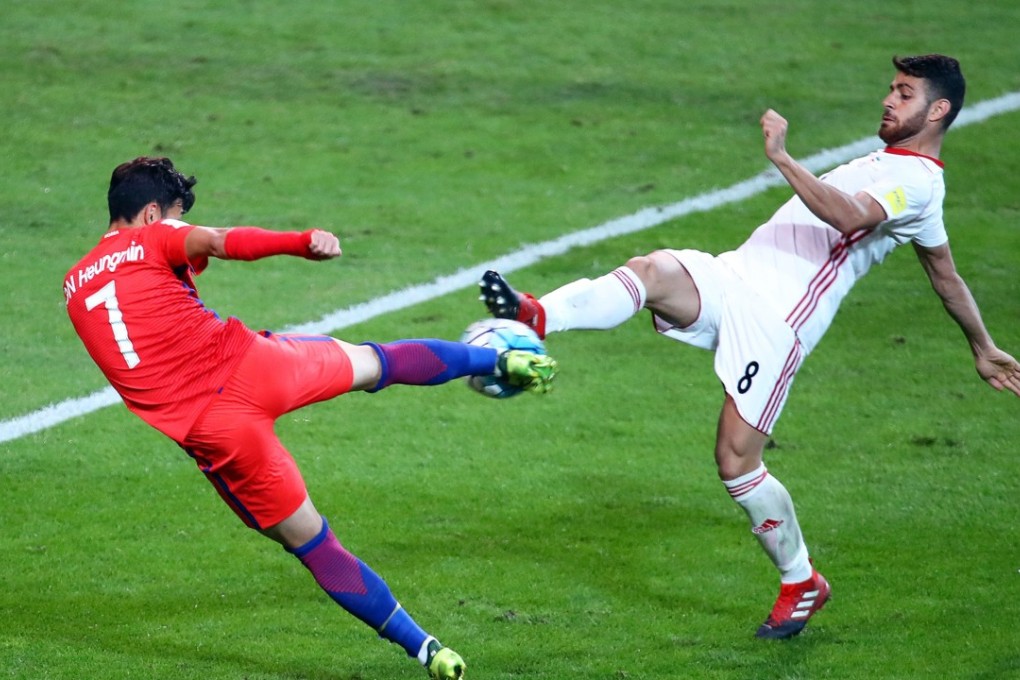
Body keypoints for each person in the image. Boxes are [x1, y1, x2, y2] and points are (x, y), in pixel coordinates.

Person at [479, 54, 1020, 640]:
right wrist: (983, 344)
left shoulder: (916, 182)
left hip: (777, 320)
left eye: (905, 93)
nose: (889, 100)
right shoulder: (894, 162)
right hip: (736, 275)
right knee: (653, 270)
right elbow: (945, 273)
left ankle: (801, 580)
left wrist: (784, 159)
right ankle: (537, 316)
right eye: (891, 89)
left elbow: (848, 218)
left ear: (938, 110)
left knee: (735, 460)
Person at [64, 157, 559, 679]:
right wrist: (299, 242)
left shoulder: (75, 285)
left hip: (218, 435)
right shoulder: (154, 238)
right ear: (150, 214)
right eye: (174, 215)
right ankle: (500, 359)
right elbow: (220, 240)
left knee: (315, 544)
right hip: (256, 368)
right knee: (378, 362)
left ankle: (429, 650)